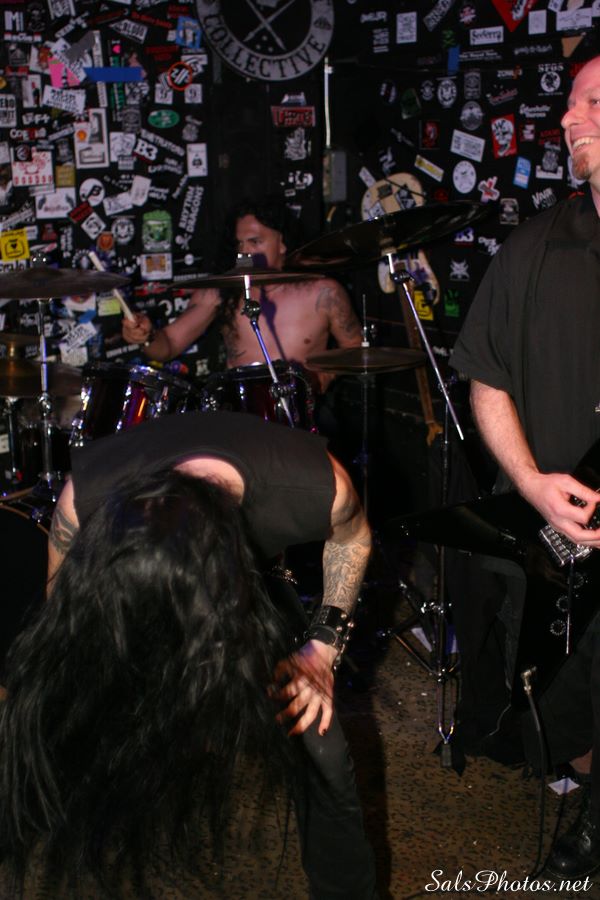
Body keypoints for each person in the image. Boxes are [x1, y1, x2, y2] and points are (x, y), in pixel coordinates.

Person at [0, 411, 377, 898]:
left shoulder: (315, 485)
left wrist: (322, 648)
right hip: (132, 587)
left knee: (319, 740)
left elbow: (353, 540)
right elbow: (66, 611)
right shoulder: (85, 501)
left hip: (252, 584)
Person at [450, 54, 600, 877]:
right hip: (561, 530)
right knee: (559, 700)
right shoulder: (534, 248)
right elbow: (486, 377)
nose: (569, 119)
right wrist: (534, 484)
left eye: (593, 103)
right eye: (571, 104)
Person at [122, 196, 363, 394]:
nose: (245, 251)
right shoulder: (222, 292)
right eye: (240, 244)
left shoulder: (323, 292)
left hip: (302, 415)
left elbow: (353, 347)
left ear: (282, 242)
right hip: (242, 417)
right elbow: (168, 346)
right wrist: (146, 337)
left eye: (255, 242)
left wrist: (321, 378)